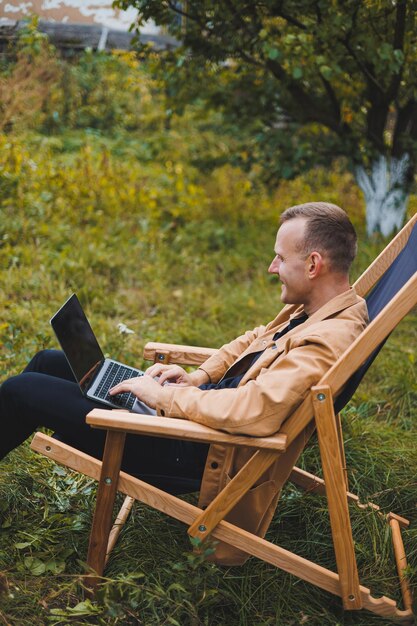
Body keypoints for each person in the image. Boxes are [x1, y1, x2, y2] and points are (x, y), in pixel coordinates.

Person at [0, 202, 368, 564]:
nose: (273, 268)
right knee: (50, 361)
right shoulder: (318, 310)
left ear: (314, 264)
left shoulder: (325, 341)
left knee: (22, 390)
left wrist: (163, 399)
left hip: (194, 450)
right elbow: (254, 339)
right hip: (193, 419)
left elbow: (255, 413)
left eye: (280, 259)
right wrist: (197, 377)